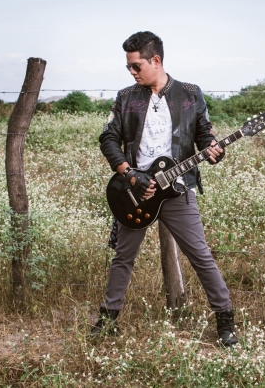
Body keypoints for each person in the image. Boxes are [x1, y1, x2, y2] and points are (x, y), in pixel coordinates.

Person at [93, 31, 238, 347]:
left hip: (178, 189)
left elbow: (204, 136)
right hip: (134, 191)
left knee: (200, 255)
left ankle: (225, 322)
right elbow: (108, 139)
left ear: (155, 60)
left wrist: (214, 149)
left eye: (136, 66)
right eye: (129, 67)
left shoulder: (189, 93)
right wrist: (130, 175)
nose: (131, 72)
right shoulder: (126, 97)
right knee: (123, 257)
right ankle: (107, 322)